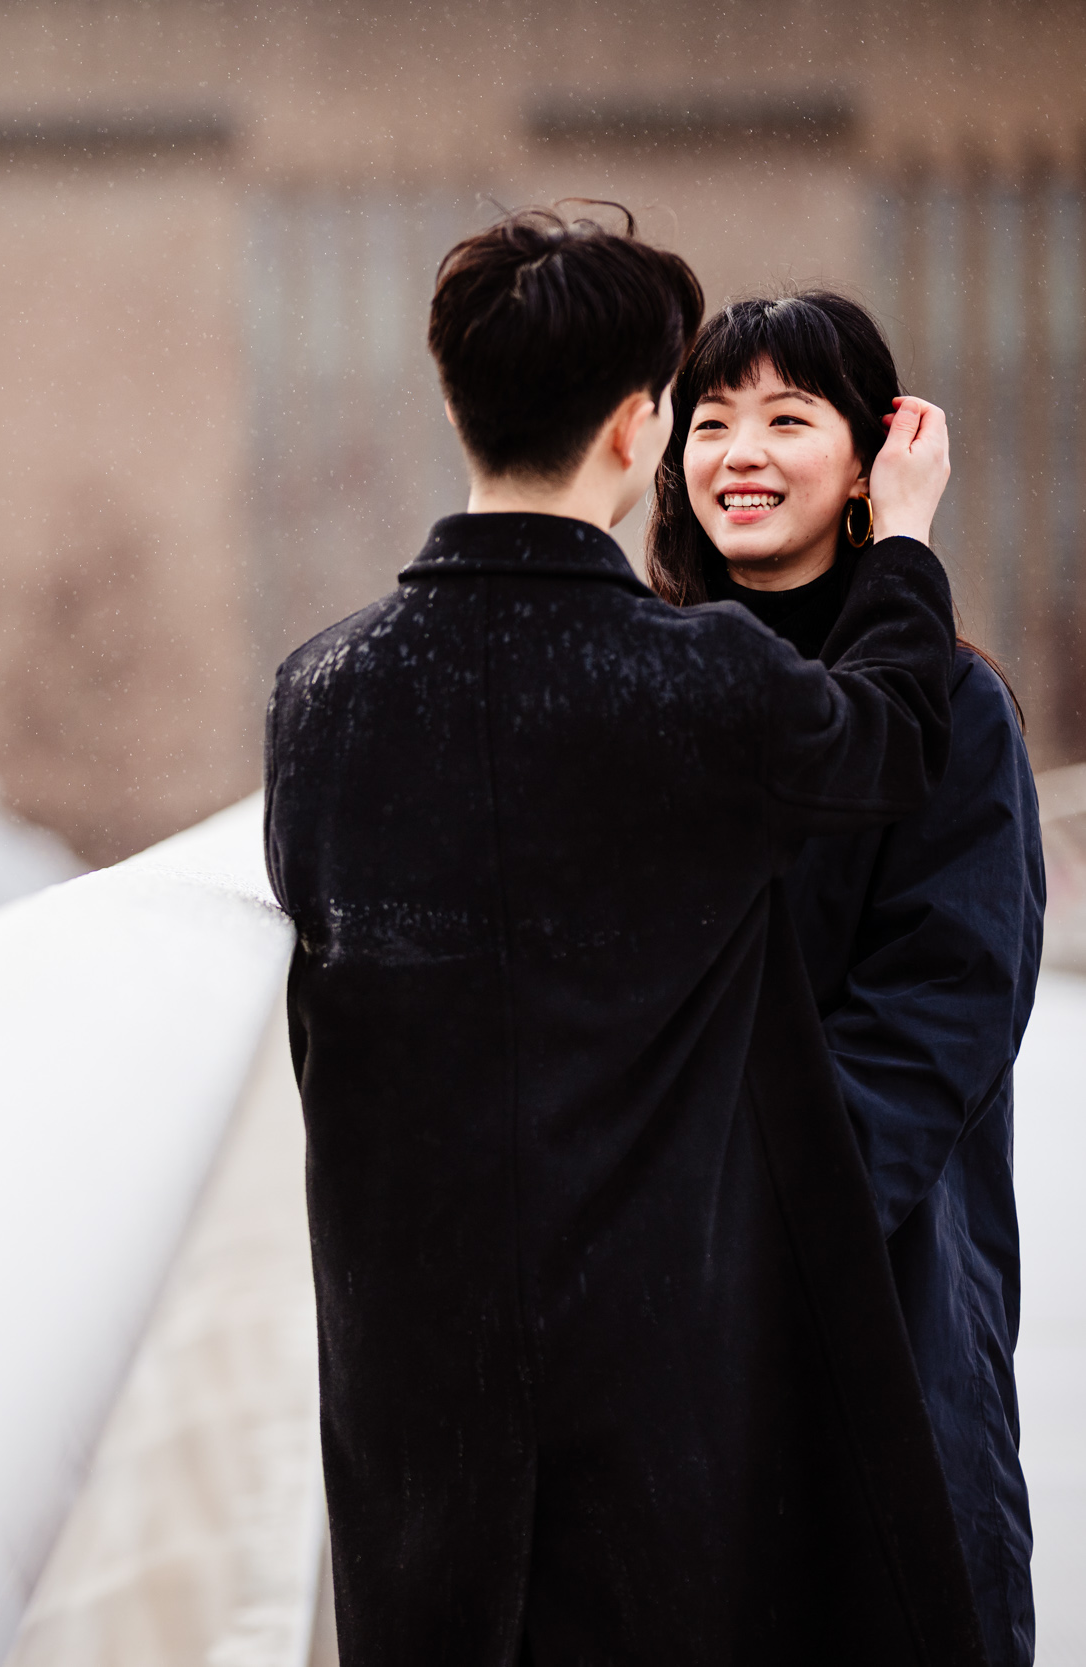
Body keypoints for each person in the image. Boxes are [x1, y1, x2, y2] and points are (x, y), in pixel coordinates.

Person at [263, 205, 984, 1666]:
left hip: (408, 1396)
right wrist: (900, 537)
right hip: (660, 1379)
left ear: (455, 398)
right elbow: (898, 737)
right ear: (637, 428)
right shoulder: (700, 684)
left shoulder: (318, 695)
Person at [648, 291, 1046, 1667]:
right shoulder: (639, 688)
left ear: (873, 456)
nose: (739, 454)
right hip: (669, 1303)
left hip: (881, 1285)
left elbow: (945, 1004)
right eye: (710, 421)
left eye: (787, 418)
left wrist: (761, 1221)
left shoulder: (955, 707)